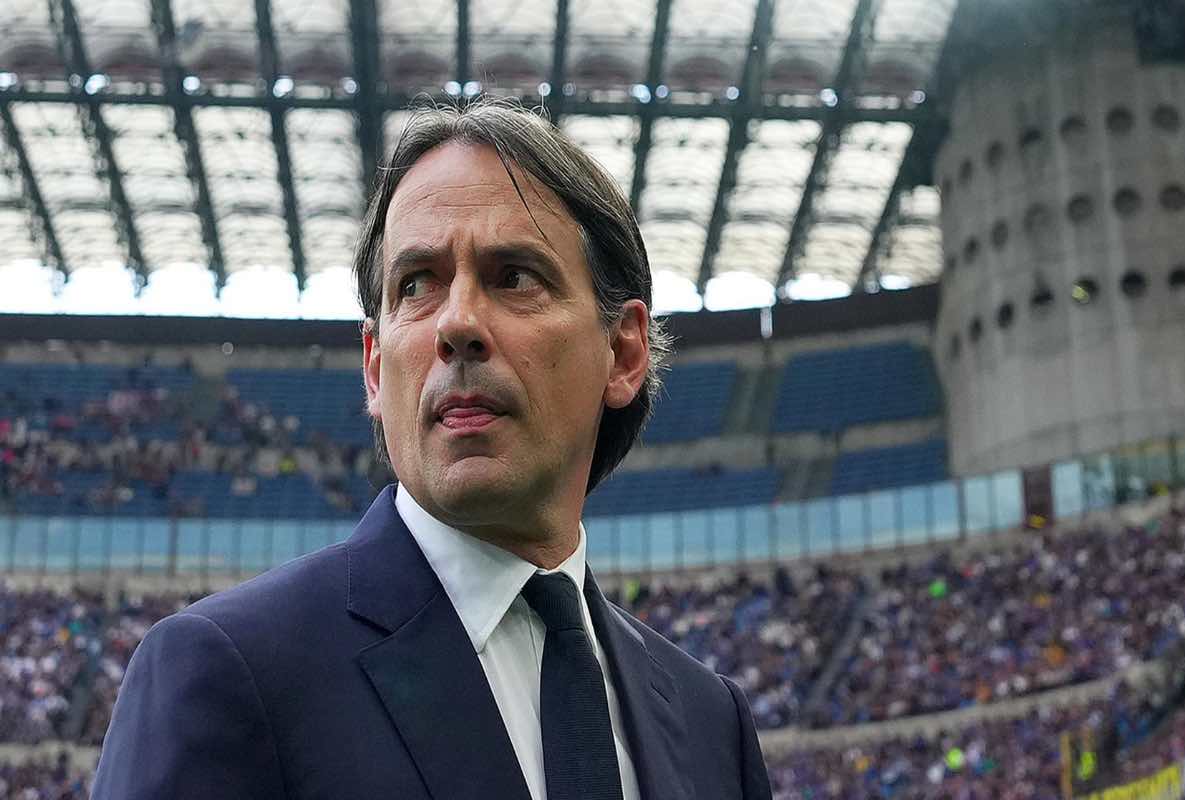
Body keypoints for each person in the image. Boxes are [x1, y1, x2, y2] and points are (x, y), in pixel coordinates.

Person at [92, 100, 772, 800]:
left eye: (514, 276)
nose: (457, 324)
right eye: (416, 285)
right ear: (374, 367)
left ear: (623, 352)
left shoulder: (711, 722)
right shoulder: (227, 670)